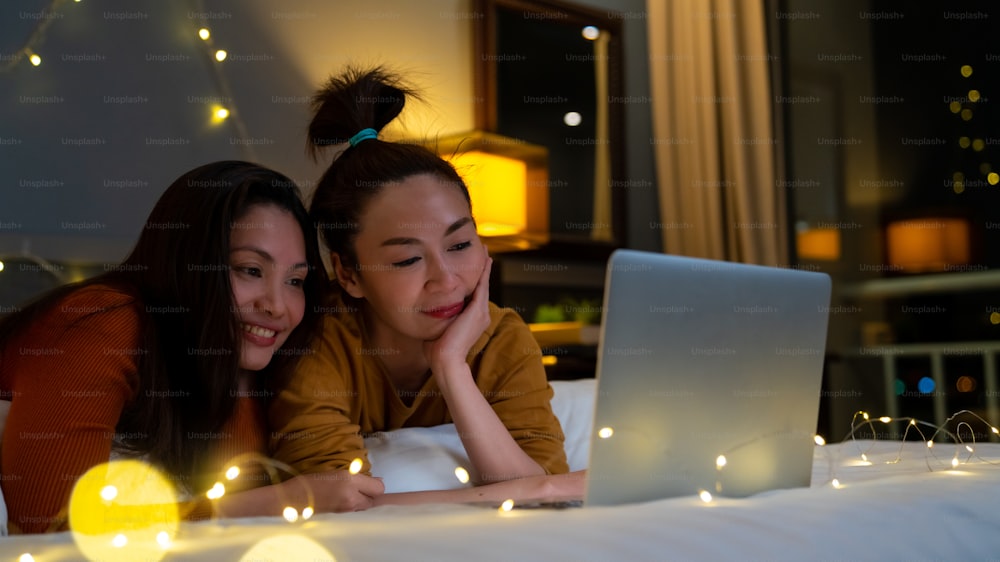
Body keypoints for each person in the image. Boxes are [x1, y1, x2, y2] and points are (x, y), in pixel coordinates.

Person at [0, 160, 384, 534]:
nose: (277, 306)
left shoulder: (247, 364)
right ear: (187, 264)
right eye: (250, 270)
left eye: (295, 281)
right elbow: (50, 526)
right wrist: (278, 502)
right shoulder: (104, 320)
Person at [268, 66, 572, 499]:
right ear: (349, 274)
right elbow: (339, 500)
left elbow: (548, 489)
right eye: (408, 258)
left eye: (461, 244)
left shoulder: (503, 338)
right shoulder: (319, 342)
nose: (446, 280)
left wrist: (451, 368)